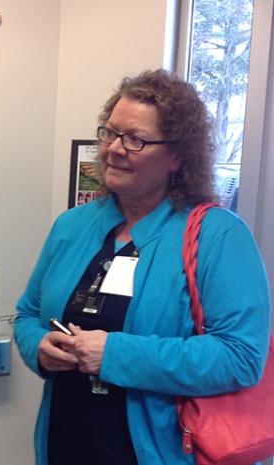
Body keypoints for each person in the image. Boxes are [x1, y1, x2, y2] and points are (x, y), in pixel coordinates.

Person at [14, 69, 271, 465]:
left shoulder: (218, 236)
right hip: (66, 443)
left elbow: (240, 358)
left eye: (135, 139)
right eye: (110, 132)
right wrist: (40, 348)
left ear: (178, 156)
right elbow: (29, 314)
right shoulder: (72, 225)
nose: (114, 148)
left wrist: (115, 354)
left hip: (163, 451)